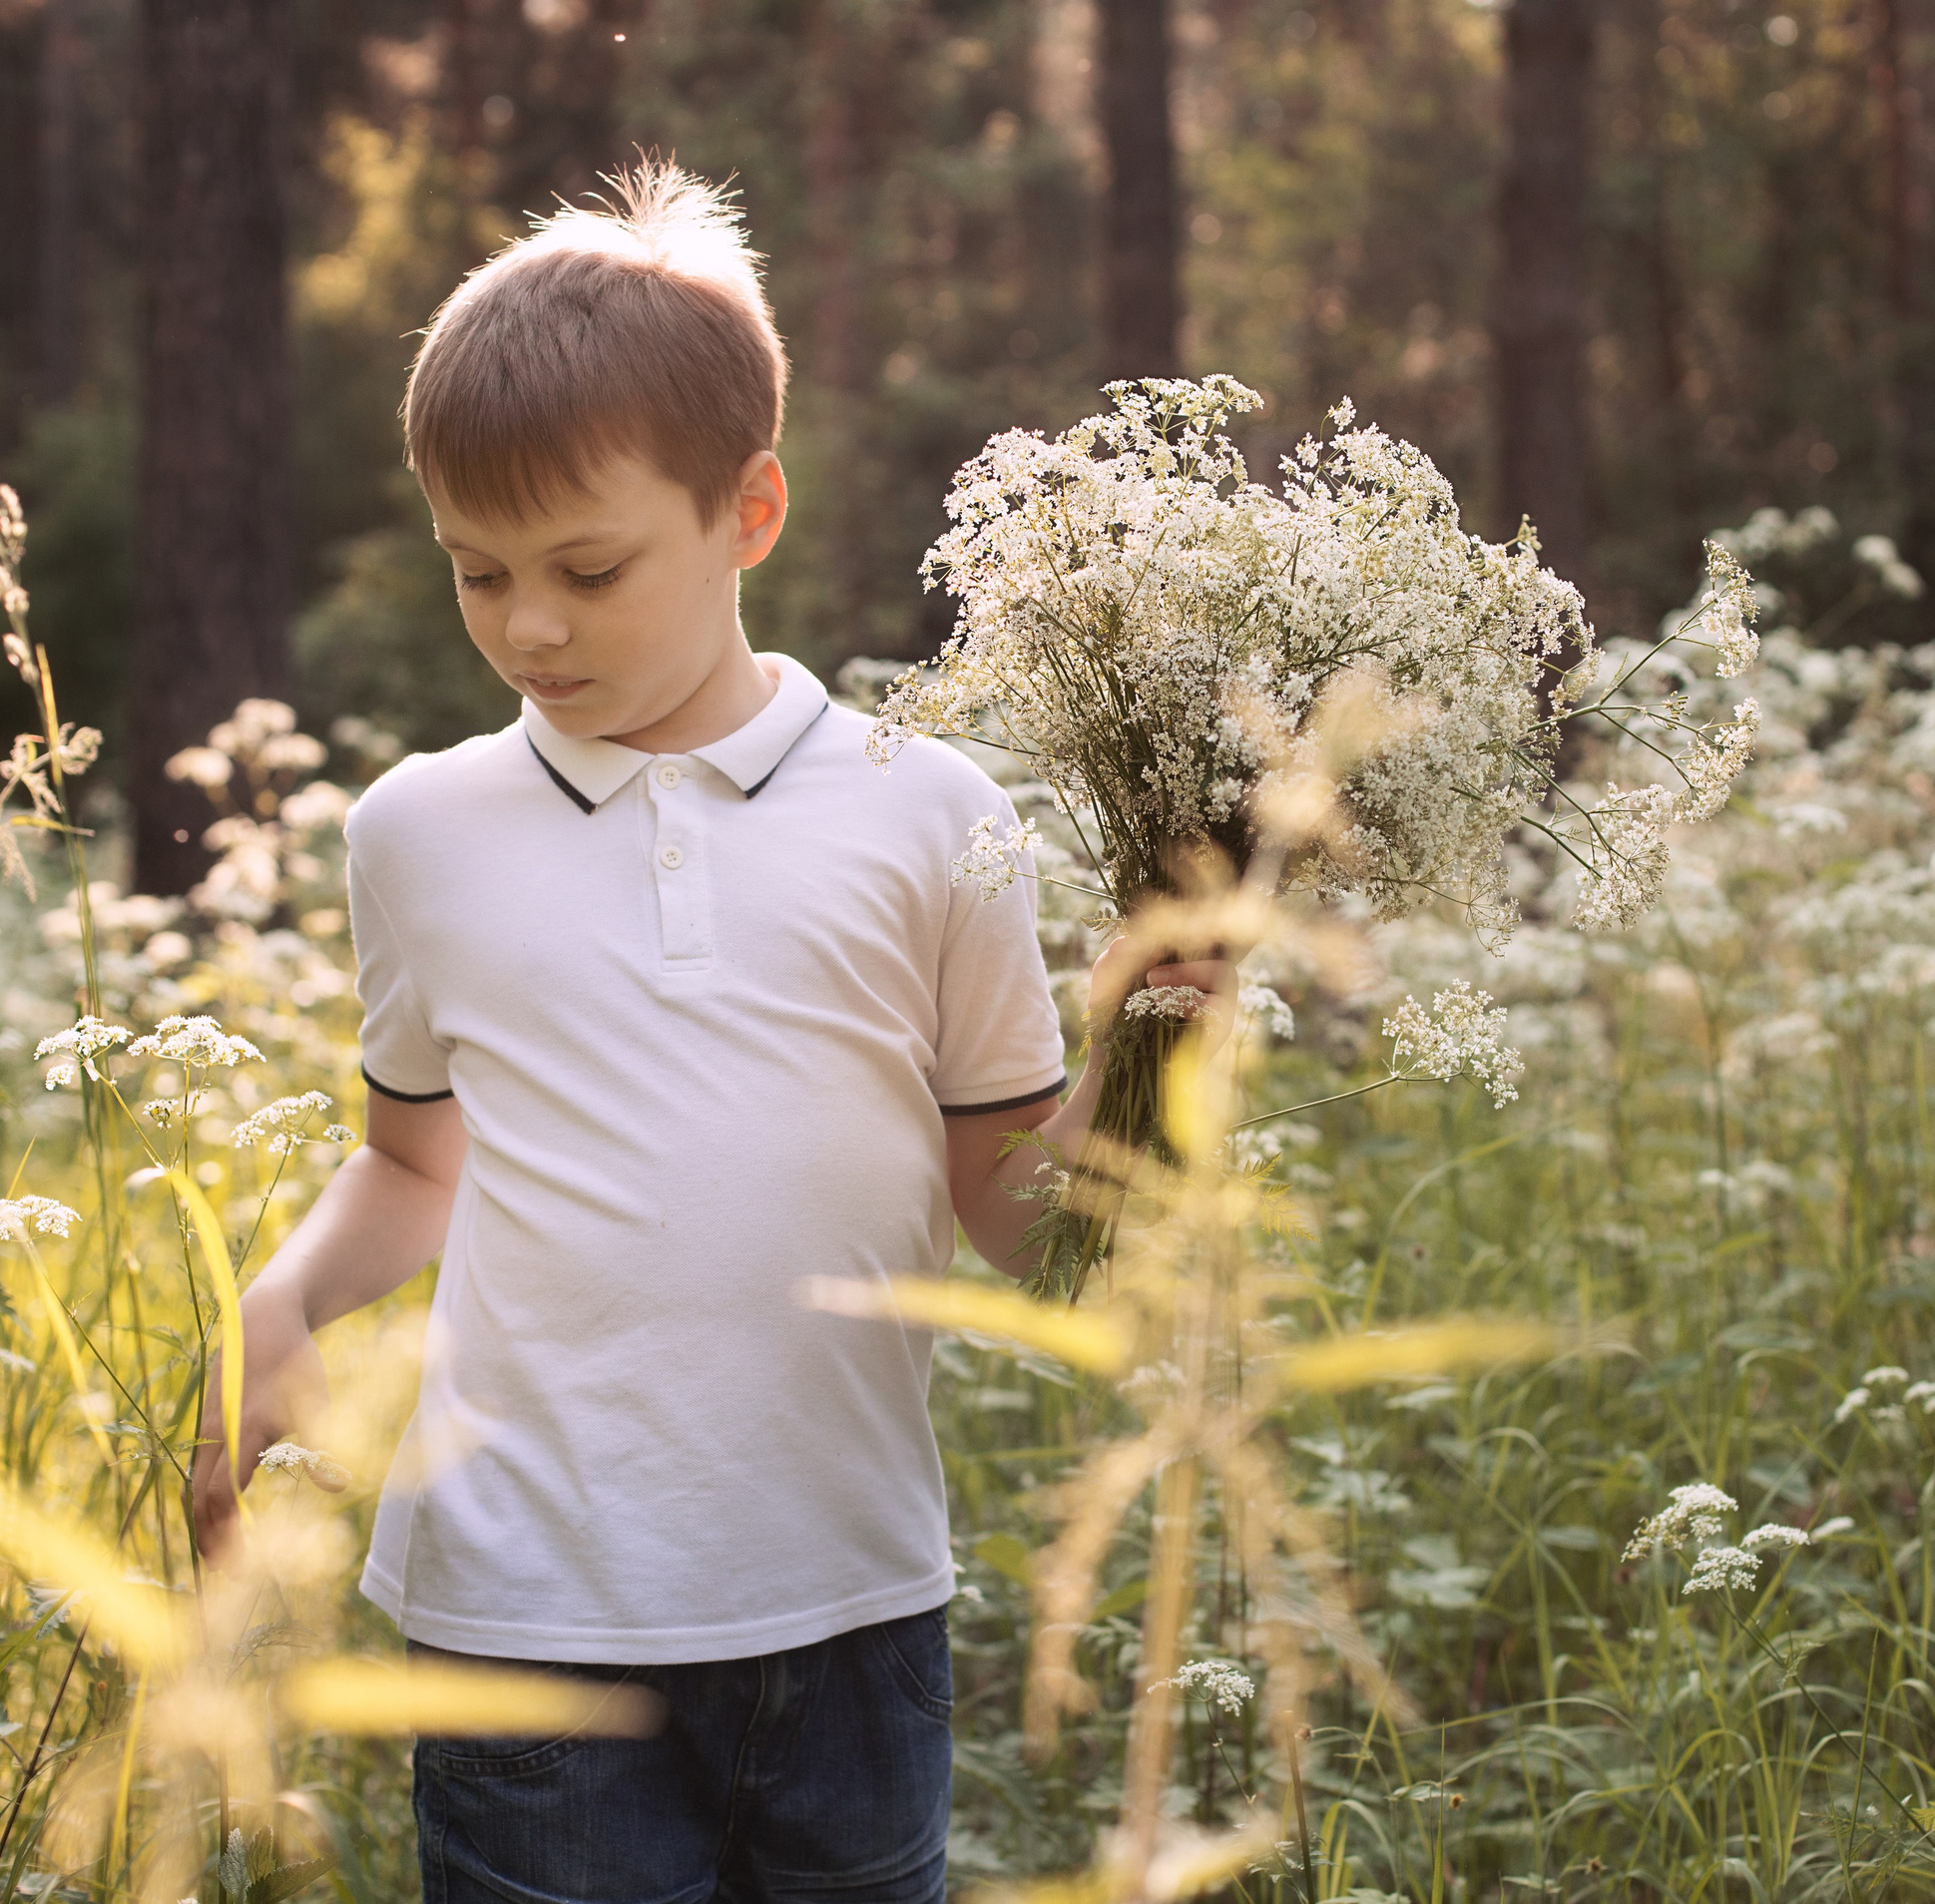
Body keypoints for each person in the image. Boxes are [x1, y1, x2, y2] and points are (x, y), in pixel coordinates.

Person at [187, 161, 1225, 1903]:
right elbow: (413, 1163)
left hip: (847, 1611)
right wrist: (285, 1299)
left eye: (588, 570)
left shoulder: (929, 814)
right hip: (519, 1627)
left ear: (750, 512)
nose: (527, 627)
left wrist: (1157, 1059)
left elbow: (1019, 1219)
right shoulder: (417, 835)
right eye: (478, 573)